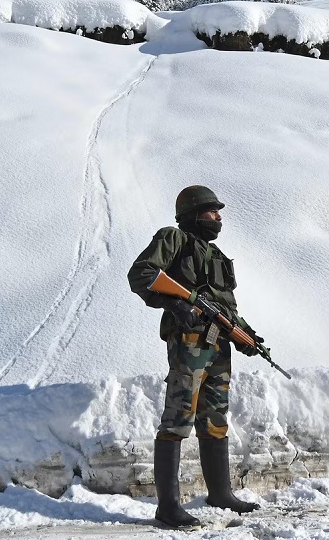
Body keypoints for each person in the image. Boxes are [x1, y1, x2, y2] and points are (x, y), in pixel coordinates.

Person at [127, 185, 262, 529]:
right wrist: (175, 304)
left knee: (215, 417)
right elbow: (141, 274)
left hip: (218, 344)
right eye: (212, 211)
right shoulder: (174, 238)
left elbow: (226, 307)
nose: (218, 218)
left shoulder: (216, 255)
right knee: (178, 416)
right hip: (188, 340)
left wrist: (247, 336)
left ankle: (220, 494)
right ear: (193, 213)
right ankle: (167, 507)